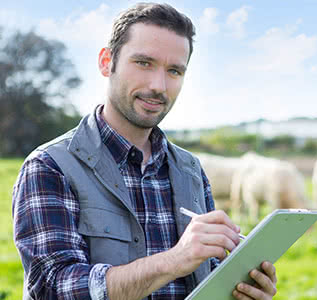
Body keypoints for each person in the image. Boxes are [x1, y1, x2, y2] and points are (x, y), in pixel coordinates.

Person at [12, 2, 277, 300]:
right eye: (144, 63)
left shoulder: (191, 170)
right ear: (106, 62)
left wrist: (238, 289)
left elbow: (203, 281)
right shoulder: (50, 166)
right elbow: (52, 288)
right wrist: (175, 260)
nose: (158, 86)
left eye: (174, 70)